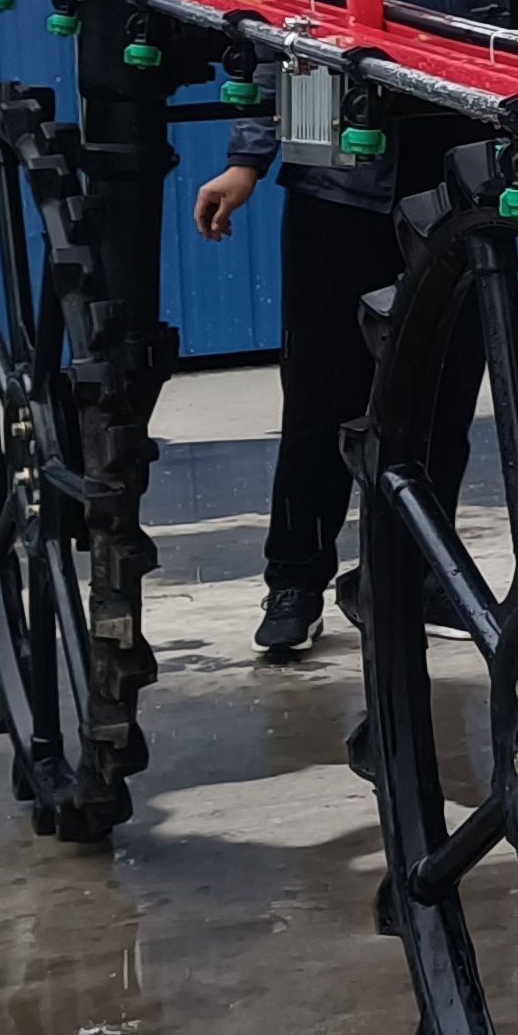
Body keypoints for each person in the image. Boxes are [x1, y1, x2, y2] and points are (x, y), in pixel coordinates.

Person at [194, 98, 446, 655]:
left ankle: (420, 575)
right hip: (335, 181)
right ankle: (294, 582)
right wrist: (247, 159)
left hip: (454, 173)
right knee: (320, 395)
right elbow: (281, 42)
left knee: (443, 394)